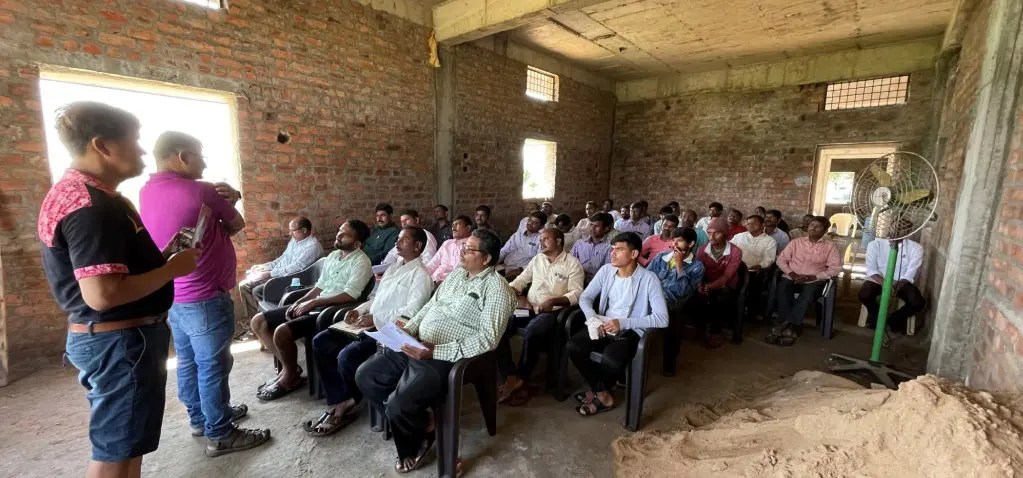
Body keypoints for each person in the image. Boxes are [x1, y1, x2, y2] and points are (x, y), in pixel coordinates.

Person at [38, 102, 201, 477]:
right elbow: (102, 294)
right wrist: (171, 270)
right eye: (135, 141)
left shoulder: (93, 196)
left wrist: (162, 258)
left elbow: (111, 272)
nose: (143, 151)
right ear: (103, 146)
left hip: (120, 339)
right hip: (119, 343)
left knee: (128, 445)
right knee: (114, 452)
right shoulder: (91, 207)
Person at [139, 131, 269, 457]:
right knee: (212, 366)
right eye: (199, 155)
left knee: (188, 362)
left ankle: (203, 418)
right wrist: (232, 197)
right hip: (206, 296)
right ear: (182, 156)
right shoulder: (202, 191)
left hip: (175, 295)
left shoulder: (145, 192)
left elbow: (202, 229)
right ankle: (221, 433)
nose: (205, 162)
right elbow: (235, 224)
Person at [355, 229, 515, 473]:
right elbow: (430, 306)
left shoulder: (497, 290)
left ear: (486, 259)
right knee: (366, 375)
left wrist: (436, 351)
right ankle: (422, 425)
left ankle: (414, 442)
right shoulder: (456, 275)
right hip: (418, 343)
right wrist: (407, 330)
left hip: (447, 357)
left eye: (470, 249)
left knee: (399, 404)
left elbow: (488, 340)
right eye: (464, 246)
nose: (462, 251)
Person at [303, 226, 433, 436]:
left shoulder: (421, 275)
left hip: (387, 330)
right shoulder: (393, 268)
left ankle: (349, 401)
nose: (397, 243)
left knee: (347, 357)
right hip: (367, 322)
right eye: (397, 239)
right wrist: (356, 311)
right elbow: (375, 299)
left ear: (417, 246)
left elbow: (412, 312)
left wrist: (375, 318)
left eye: (403, 240)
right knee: (321, 341)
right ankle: (342, 397)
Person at [250, 220, 374, 400]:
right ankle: (290, 369)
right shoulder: (333, 256)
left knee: (281, 332)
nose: (338, 234)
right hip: (315, 305)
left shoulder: (362, 262)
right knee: (258, 322)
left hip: (328, 312)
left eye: (345, 234)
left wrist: (315, 303)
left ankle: (289, 376)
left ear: (357, 243)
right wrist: (300, 302)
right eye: (340, 230)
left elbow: (350, 295)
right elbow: (319, 287)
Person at [568, 232, 668, 416]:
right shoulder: (606, 271)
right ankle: (602, 392)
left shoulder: (648, 279)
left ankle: (600, 392)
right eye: (612, 249)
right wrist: (593, 319)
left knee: (612, 358)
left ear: (634, 254)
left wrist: (623, 323)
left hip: (630, 329)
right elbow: (585, 297)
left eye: (619, 249)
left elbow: (662, 318)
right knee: (574, 347)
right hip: (603, 323)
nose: (612, 253)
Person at [498, 228, 584, 405]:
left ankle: (522, 377)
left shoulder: (572, 264)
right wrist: (517, 294)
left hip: (553, 312)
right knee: (500, 325)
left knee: (533, 332)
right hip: (529, 308)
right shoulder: (538, 259)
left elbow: (577, 293)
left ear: (559, 241)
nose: (541, 242)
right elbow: (521, 280)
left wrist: (553, 301)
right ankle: (510, 375)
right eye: (540, 239)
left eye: (546, 239)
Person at [767, 216, 842, 346]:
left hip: (814, 280)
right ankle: (792, 327)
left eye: (817, 226)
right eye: (812, 225)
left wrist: (814, 277)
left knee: (807, 295)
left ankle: (786, 325)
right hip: (792, 276)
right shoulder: (796, 242)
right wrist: (791, 273)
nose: (812, 227)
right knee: (783, 289)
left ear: (824, 231)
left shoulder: (830, 246)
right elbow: (781, 260)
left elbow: (835, 268)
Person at [237, 216, 323, 320]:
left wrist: (270, 274)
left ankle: (266, 318)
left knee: (256, 290)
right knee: (244, 285)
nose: (290, 233)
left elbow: (296, 268)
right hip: (280, 274)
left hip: (293, 279)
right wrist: (265, 267)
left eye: (293, 231)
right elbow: (283, 258)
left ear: (304, 230)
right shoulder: (294, 241)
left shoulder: (312, 246)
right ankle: (257, 319)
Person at [647, 227, 704, 377]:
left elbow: (681, 292)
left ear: (691, 244)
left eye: (679, 240)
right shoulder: (662, 257)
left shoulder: (697, 266)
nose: (674, 244)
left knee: (672, 321)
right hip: (652, 298)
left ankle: (669, 363)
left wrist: (679, 265)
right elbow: (647, 278)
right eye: (673, 240)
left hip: (674, 304)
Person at [860, 222, 925, 334]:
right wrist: (886, 283)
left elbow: (910, 272)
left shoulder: (916, 248)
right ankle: (876, 316)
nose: (897, 231)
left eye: (902, 229)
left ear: (909, 232)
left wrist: (897, 284)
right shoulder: (875, 244)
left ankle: (894, 319)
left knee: (917, 302)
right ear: (889, 227)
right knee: (864, 294)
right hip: (878, 280)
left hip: (901, 282)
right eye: (894, 227)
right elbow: (871, 269)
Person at [692, 217, 744, 348]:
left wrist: (710, 286)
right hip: (707, 281)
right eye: (709, 233)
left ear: (725, 233)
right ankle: (700, 330)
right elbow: (697, 271)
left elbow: (727, 276)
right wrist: (700, 285)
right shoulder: (702, 250)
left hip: (727, 284)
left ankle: (716, 331)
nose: (712, 236)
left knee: (722, 298)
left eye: (717, 232)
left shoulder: (735, 251)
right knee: (697, 297)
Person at [730, 215, 778, 319]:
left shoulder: (770, 241)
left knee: (753, 285)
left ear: (762, 225)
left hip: (755, 271)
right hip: (736, 269)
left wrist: (760, 265)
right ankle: (733, 312)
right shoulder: (739, 237)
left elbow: (769, 259)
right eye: (748, 223)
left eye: (754, 223)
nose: (750, 225)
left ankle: (750, 313)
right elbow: (729, 250)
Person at [499, 211, 546, 280]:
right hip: (505, 267)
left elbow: (538, 261)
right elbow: (504, 251)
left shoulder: (541, 240)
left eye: (535, 223)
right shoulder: (517, 235)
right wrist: (494, 261)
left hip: (522, 273)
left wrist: (520, 270)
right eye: (530, 220)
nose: (530, 223)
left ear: (541, 227)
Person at [425, 215, 473, 282]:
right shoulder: (447, 244)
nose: (453, 228)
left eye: (457, 224)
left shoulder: (472, 246)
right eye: (453, 225)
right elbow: (432, 264)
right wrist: (421, 275)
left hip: (452, 283)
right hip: (434, 280)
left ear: (468, 228)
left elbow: (462, 271)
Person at [571, 212, 614, 283]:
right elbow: (570, 263)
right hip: (578, 281)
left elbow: (608, 271)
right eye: (591, 225)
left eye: (597, 226)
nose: (592, 228)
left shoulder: (609, 247)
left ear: (606, 229)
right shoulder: (579, 244)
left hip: (598, 283)